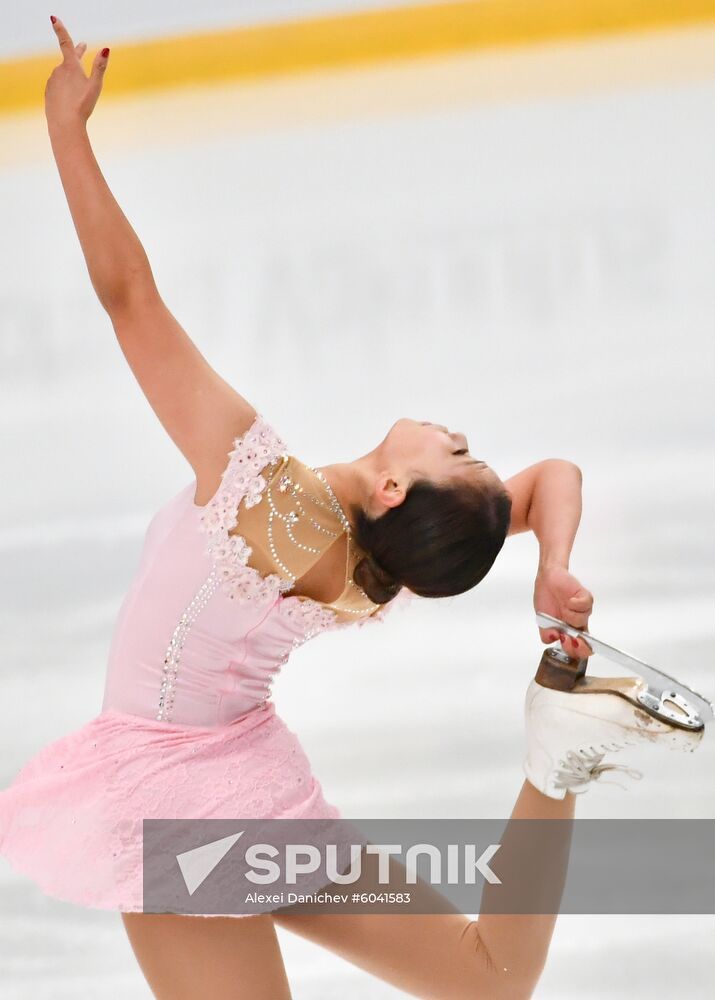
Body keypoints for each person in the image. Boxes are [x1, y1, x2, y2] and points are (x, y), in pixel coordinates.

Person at [0, 19, 703, 999]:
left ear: (392, 487)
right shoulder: (393, 566)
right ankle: (551, 769)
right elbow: (553, 481)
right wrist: (550, 565)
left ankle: (555, 761)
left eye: (454, 451)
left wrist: (66, 132)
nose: (454, 430)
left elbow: (130, 299)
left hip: (179, 807)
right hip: (252, 786)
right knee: (487, 977)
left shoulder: (263, 491)